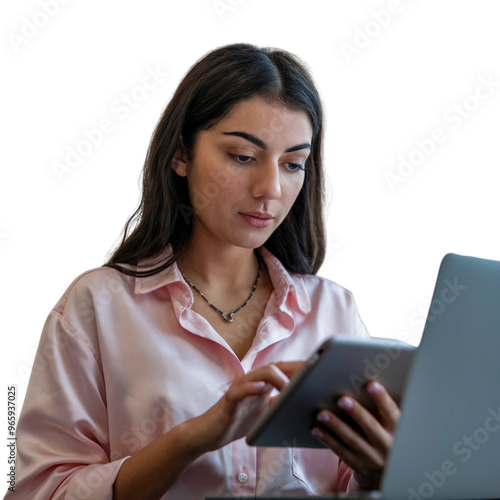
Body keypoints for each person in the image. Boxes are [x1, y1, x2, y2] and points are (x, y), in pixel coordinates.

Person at [8, 43, 400, 500]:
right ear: (181, 155)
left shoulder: (334, 310)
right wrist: (193, 438)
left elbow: (356, 484)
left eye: (293, 164)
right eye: (241, 156)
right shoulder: (98, 306)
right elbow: (41, 491)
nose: (270, 188)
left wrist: (379, 477)